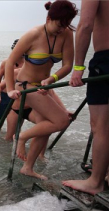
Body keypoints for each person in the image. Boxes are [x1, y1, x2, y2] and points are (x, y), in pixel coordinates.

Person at [5, 0, 78, 180]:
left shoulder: (67, 34)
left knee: (47, 124)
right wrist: (8, 90)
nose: (62, 29)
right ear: (48, 17)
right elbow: (8, 63)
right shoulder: (33, 34)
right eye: (59, 24)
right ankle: (21, 137)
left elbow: (68, 65)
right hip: (25, 86)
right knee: (62, 121)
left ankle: (28, 167)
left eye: (66, 25)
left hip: (45, 86)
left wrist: (52, 79)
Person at [62, 0, 109, 195]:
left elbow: (86, 24)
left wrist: (78, 68)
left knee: (101, 126)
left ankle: (95, 181)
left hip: (106, 58)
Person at [0, 39, 24, 132]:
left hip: (19, 97)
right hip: (4, 95)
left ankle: (12, 141)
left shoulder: (27, 64)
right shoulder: (6, 62)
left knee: (17, 125)